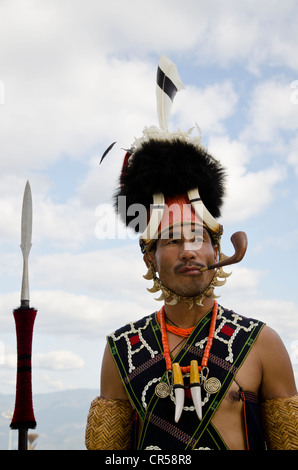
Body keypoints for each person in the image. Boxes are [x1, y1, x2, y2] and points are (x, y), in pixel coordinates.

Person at [85, 56, 298, 450]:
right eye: (171, 240)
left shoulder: (263, 343)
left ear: (218, 248)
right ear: (149, 257)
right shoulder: (121, 350)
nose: (188, 250)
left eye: (198, 237)